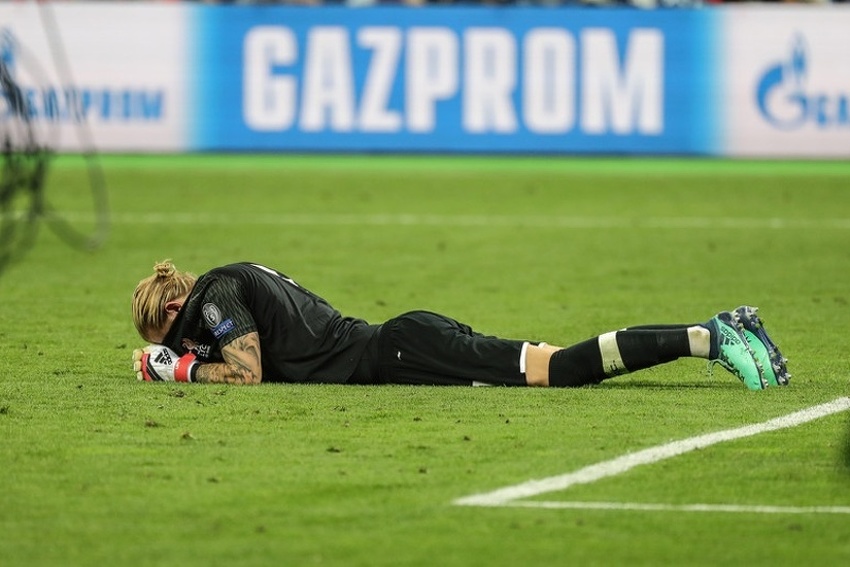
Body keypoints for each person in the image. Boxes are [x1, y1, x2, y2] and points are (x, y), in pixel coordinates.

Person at [130, 260, 790, 391]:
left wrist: (183, 368)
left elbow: (246, 371)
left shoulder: (214, 294)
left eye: (175, 335)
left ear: (170, 310)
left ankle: (710, 336)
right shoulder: (227, 281)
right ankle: (719, 330)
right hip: (403, 343)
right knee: (553, 362)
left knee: (556, 371)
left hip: (399, 350)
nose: (190, 341)